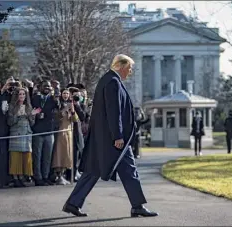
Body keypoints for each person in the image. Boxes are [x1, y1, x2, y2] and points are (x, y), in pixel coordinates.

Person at [62, 54, 158, 218]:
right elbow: (114, 112)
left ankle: (73, 203)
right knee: (129, 170)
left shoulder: (109, 80)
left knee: (94, 171)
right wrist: (118, 136)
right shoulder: (113, 82)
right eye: (129, 68)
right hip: (113, 139)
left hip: (105, 138)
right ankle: (137, 206)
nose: (130, 71)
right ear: (120, 66)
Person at [7, 88, 39, 187]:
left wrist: (32, 115)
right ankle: (15, 177)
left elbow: (32, 123)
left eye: (23, 94)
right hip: (16, 133)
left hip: (26, 134)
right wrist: (17, 115)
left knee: (25, 156)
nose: (22, 96)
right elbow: (9, 122)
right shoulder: (12, 106)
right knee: (16, 156)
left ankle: (22, 177)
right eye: (20, 94)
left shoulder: (29, 106)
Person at [31, 80, 60, 186]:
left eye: (48, 86)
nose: (46, 88)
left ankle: (46, 176)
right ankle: (38, 178)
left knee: (47, 157)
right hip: (37, 131)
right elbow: (31, 110)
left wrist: (56, 89)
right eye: (45, 86)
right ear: (40, 88)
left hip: (49, 131)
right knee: (37, 156)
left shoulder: (53, 99)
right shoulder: (36, 98)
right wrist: (36, 115)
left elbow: (58, 106)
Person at [51, 88, 79, 185]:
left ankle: (63, 175)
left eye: (67, 93)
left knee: (67, 156)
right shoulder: (58, 104)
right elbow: (57, 117)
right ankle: (58, 175)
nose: (66, 95)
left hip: (69, 134)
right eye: (64, 93)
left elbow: (75, 120)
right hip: (60, 132)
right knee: (59, 155)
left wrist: (73, 110)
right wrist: (65, 109)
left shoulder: (71, 105)